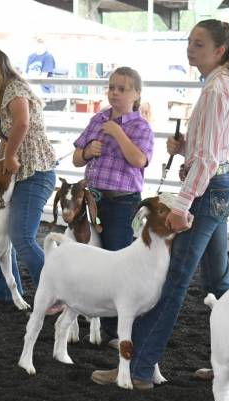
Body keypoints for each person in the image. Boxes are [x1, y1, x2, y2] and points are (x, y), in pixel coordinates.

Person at [90, 19, 229, 390]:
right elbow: (212, 152)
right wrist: (186, 150)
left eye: (198, 44)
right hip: (220, 185)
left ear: (219, 51)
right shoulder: (221, 86)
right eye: (190, 43)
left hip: (208, 190)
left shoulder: (214, 90)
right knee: (219, 280)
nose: (190, 49)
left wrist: (182, 203)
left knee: (174, 279)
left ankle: (140, 366)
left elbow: (209, 157)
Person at [72, 66, 154, 343]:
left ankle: (115, 329)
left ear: (136, 94)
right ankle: (88, 316)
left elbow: (139, 160)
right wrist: (86, 151)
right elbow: (76, 158)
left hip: (122, 203)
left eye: (122, 88)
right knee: (89, 257)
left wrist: (117, 133)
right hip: (93, 201)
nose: (115, 93)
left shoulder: (141, 126)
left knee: (117, 261)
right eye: (111, 87)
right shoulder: (97, 119)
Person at [0, 45, 57, 305]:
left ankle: (56, 294)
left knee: (21, 236)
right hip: (21, 174)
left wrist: (8, 158)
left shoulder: (14, 90)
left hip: (35, 172)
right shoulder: (7, 92)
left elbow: (22, 123)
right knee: (4, 231)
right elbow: (10, 135)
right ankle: (5, 291)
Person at [25, 37, 62, 111]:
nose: (39, 46)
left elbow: (43, 76)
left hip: (41, 87)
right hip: (30, 85)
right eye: (37, 44)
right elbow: (26, 74)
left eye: (41, 44)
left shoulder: (48, 56)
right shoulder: (31, 57)